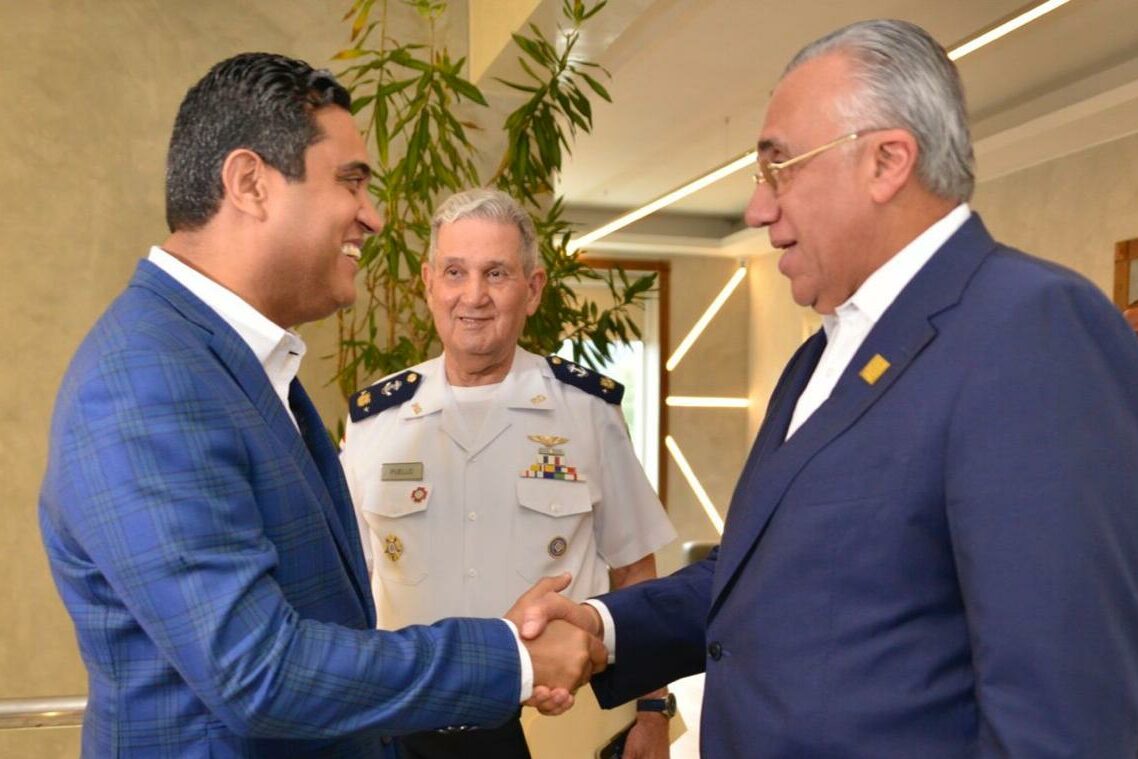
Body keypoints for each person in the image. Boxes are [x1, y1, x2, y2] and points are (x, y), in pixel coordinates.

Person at [516, 19, 1138, 758]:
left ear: (886, 161)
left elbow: (1064, 708)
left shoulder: (1030, 327)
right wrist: (605, 624)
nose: (756, 208)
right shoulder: (821, 356)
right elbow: (756, 572)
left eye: (780, 166)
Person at [38, 53, 603, 759]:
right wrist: (509, 658)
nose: (372, 215)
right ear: (250, 183)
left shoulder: (237, 365)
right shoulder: (144, 380)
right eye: (352, 181)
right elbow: (259, 670)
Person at [340, 188, 678, 759]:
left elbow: (635, 572)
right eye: (455, 272)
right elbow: (348, 582)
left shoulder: (587, 413)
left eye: (496, 273)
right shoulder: (377, 420)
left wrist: (652, 712)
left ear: (533, 289)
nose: (474, 296)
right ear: (428, 283)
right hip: (407, 726)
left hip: (556, 728)